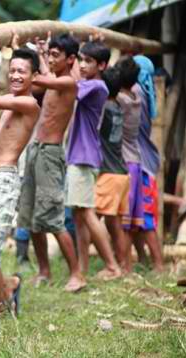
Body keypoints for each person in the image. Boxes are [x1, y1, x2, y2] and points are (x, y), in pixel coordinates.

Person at [17, 33, 85, 292]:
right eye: (52, 55)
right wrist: (44, 51)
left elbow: (39, 78)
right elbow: (46, 74)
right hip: (36, 149)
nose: (52, 60)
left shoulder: (69, 83)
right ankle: (44, 271)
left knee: (53, 218)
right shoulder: (57, 79)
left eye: (58, 56)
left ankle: (77, 274)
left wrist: (24, 60)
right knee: (32, 217)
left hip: (51, 154)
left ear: (71, 59)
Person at [0, 45, 41, 317]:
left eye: (22, 72)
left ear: (34, 76)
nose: (16, 75)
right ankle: (10, 286)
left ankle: (3, 304)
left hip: (3, 180)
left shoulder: (28, 103)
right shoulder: (11, 98)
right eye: (13, 70)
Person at [65, 40, 122, 279]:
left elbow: (70, 88)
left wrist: (69, 64)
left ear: (102, 65)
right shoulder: (93, 84)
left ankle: (112, 266)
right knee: (80, 216)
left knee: (87, 213)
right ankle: (84, 268)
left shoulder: (96, 86)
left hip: (83, 156)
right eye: (81, 59)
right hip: (80, 155)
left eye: (88, 61)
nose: (83, 65)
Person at [95, 66, 131, 269]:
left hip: (109, 174)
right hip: (121, 173)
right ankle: (125, 266)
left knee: (89, 217)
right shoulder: (118, 105)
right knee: (115, 225)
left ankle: (112, 266)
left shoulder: (104, 108)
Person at [132, 55, 165, 272]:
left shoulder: (135, 93)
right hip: (142, 160)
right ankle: (144, 261)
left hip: (141, 163)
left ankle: (159, 265)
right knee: (135, 217)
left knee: (146, 219)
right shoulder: (145, 92)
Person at [116, 56, 144, 273]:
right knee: (130, 221)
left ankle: (124, 266)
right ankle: (127, 264)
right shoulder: (137, 96)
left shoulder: (121, 101)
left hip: (124, 162)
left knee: (123, 222)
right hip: (136, 160)